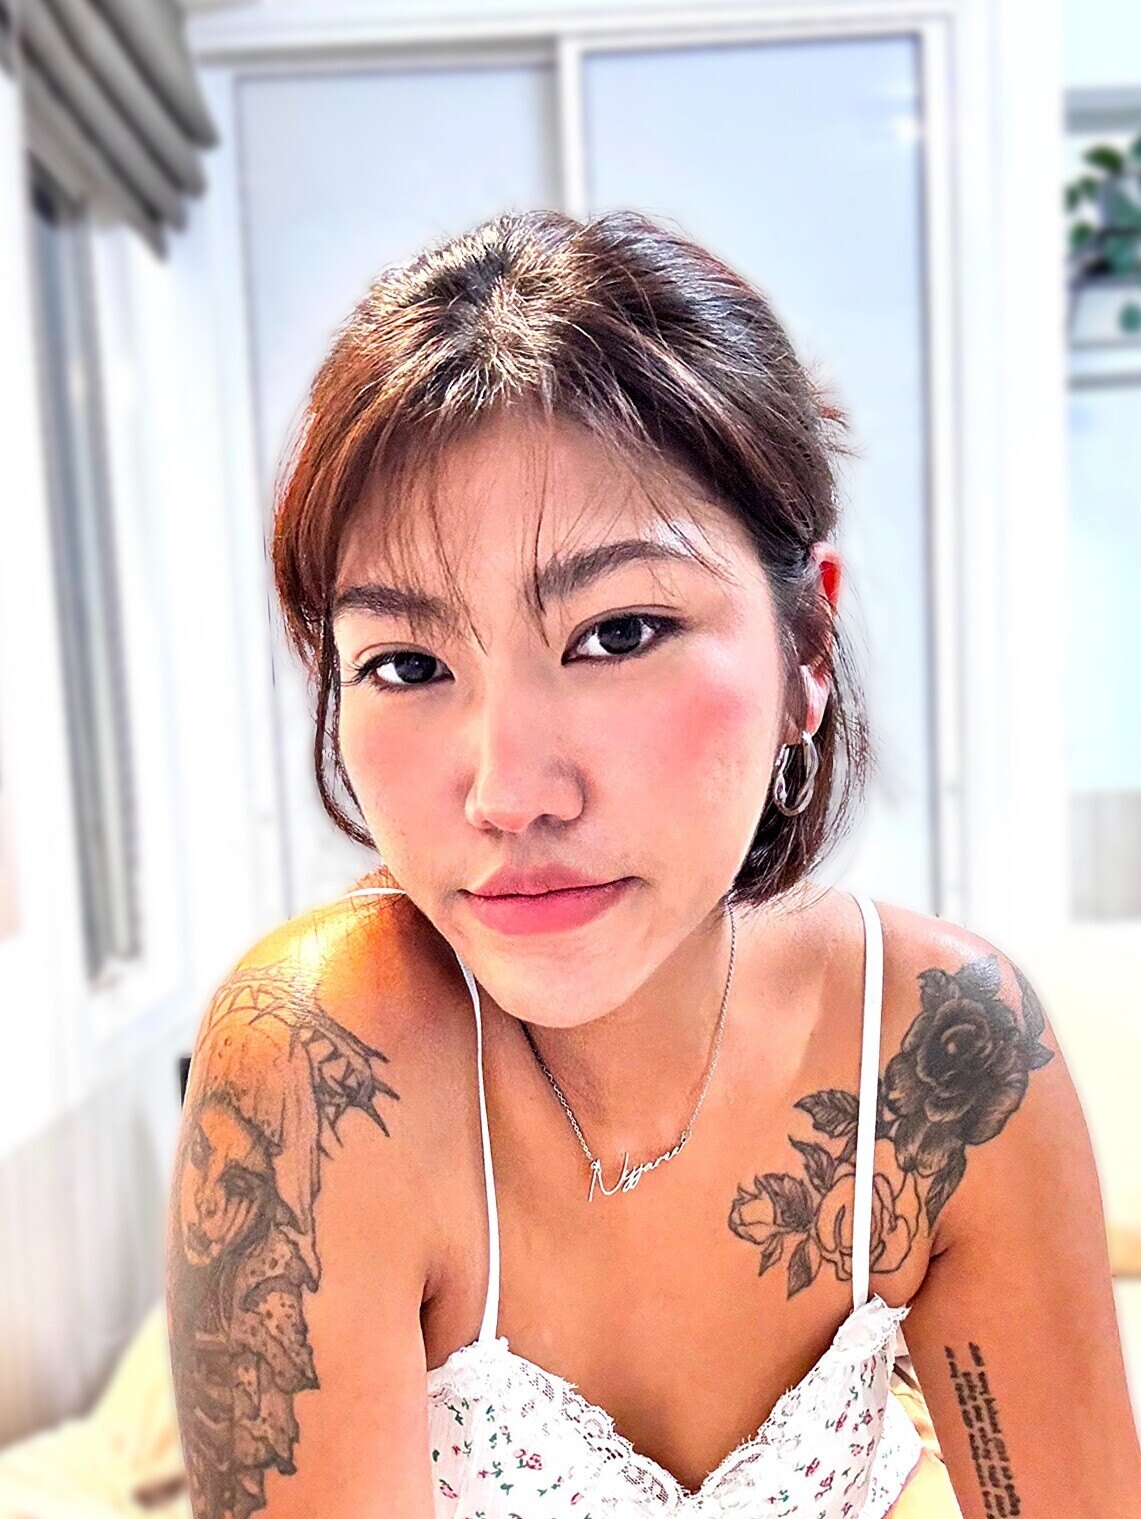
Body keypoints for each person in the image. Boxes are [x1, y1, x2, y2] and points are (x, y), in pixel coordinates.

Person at [166, 209, 1140, 1519]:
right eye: (406, 664)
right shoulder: (327, 1064)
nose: (509, 793)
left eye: (618, 633)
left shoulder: (941, 1057)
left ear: (806, 649)